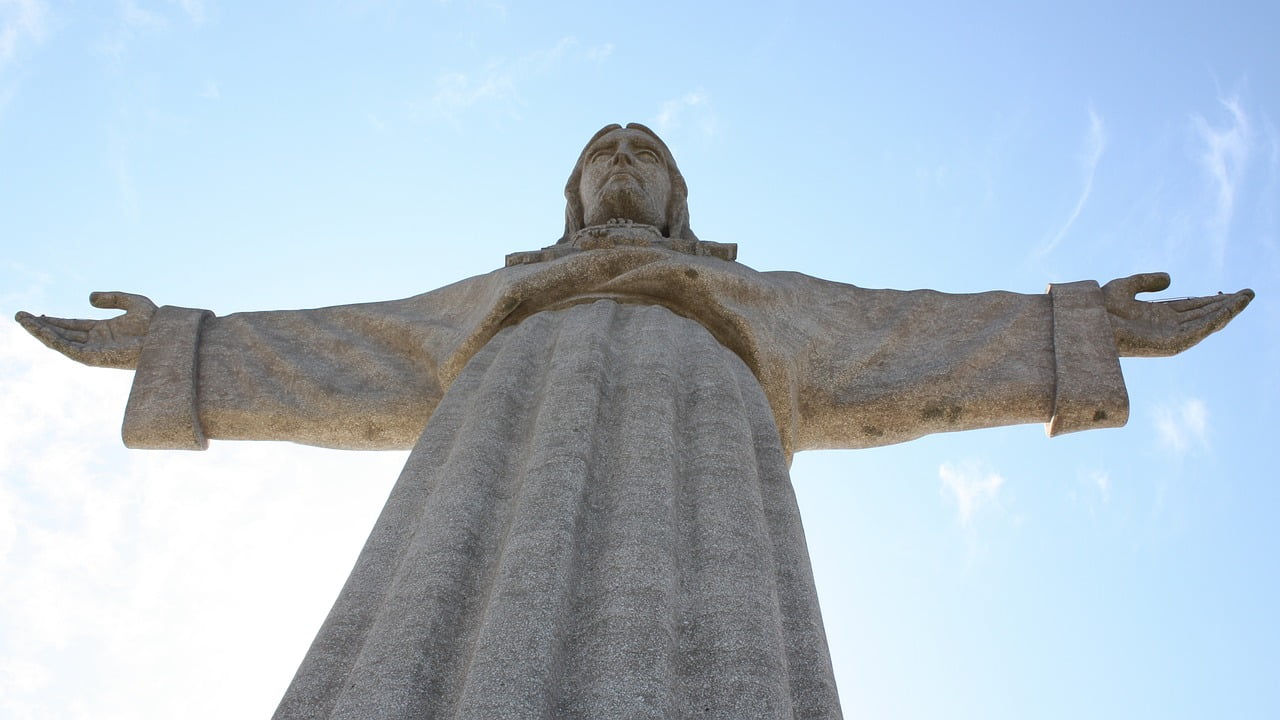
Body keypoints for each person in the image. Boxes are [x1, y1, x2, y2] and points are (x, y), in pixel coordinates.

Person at [16, 123, 1253, 719]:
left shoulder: (752, 302)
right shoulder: (490, 304)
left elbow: (913, 336)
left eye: (643, 151)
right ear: (571, 193)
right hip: (498, 421)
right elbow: (333, 350)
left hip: (705, 426)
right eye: (602, 151)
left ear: (674, 196)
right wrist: (179, 346)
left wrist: (1074, 331)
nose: (620, 160)